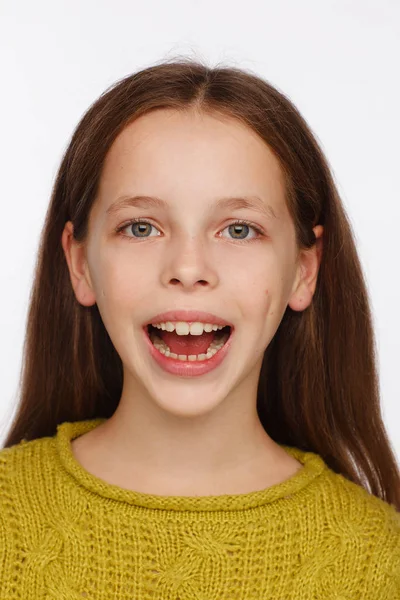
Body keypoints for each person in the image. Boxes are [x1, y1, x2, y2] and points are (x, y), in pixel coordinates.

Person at [0, 57, 399, 598]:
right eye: (140, 227)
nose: (188, 268)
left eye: (239, 229)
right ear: (80, 264)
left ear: (304, 271)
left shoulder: (381, 559)